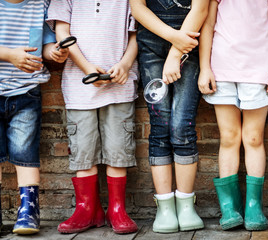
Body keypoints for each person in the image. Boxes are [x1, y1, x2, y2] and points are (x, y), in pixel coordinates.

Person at [46, 0, 139, 234]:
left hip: (120, 85)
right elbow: (62, 31)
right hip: (80, 86)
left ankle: (117, 209)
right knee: (84, 149)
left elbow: (136, 35)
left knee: (118, 148)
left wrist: (126, 65)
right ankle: (88, 208)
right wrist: (87, 68)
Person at [198, 0, 268, 231]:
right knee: (228, 137)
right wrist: (205, 67)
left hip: (258, 70)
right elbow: (207, 25)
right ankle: (229, 207)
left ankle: (253, 206)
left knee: (254, 138)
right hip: (222, 69)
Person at [130, 0, 209, 233]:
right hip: (152, 45)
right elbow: (138, 8)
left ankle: (186, 205)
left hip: (189, 43)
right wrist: (174, 38)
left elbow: (201, 8)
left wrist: (176, 52)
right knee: (160, 126)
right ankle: (164, 207)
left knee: (182, 126)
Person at [0, 0, 69, 235]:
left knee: (25, 150)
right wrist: (9, 55)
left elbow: (46, 44)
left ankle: (29, 209)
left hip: (26, 91)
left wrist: (54, 52)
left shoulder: (40, 4)